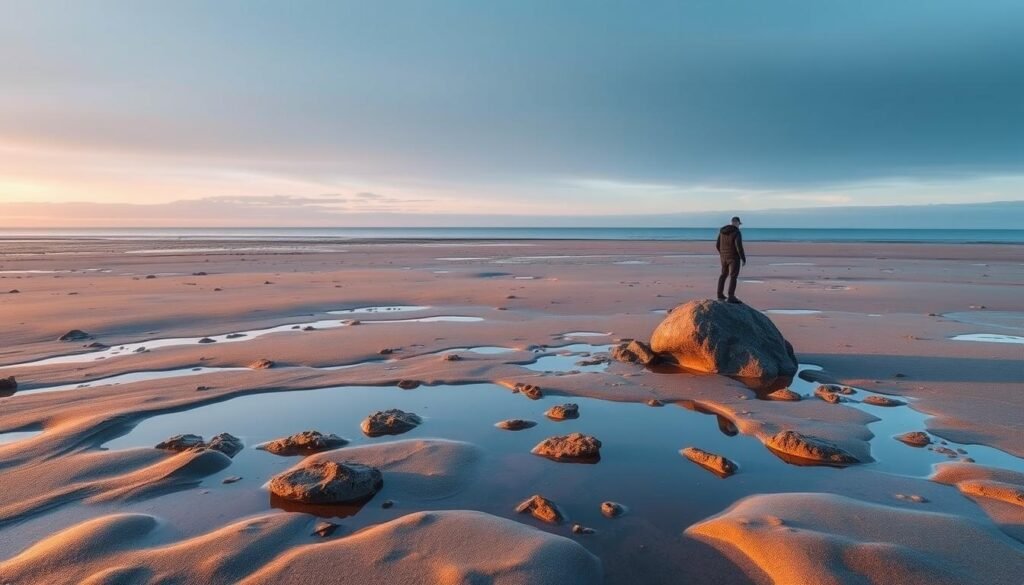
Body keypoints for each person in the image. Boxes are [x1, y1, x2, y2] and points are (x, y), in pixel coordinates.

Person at [716, 216, 746, 303]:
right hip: (733, 258)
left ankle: (719, 294)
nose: (739, 226)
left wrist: (723, 254)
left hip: (724, 257)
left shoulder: (722, 231)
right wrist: (743, 258)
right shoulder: (736, 232)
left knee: (723, 275)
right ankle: (731, 296)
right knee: (733, 276)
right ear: (736, 222)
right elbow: (738, 246)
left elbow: (717, 245)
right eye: (739, 224)